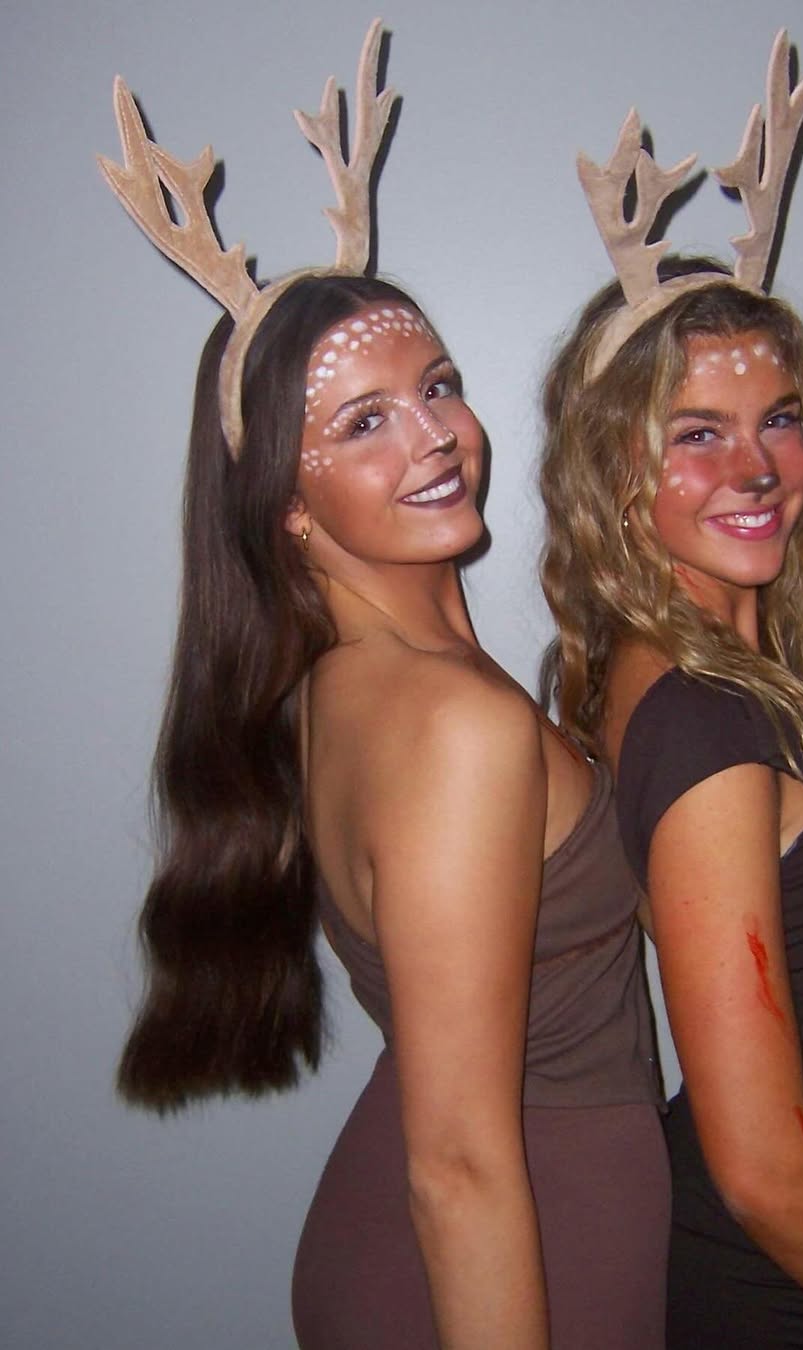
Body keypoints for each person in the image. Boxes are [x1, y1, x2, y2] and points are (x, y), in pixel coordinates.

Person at [104, 25, 667, 1350]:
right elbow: (458, 1167)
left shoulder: (347, 683)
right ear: (288, 505)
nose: (439, 436)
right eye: (364, 421)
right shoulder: (453, 723)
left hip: (462, 1234)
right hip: (515, 1255)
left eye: (440, 387)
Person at [539, 254, 803, 1348]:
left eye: (779, 419)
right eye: (697, 433)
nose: (757, 467)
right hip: (784, 1269)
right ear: (614, 467)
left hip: (800, 1235)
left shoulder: (672, 671)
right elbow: (766, 1173)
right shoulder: (706, 724)